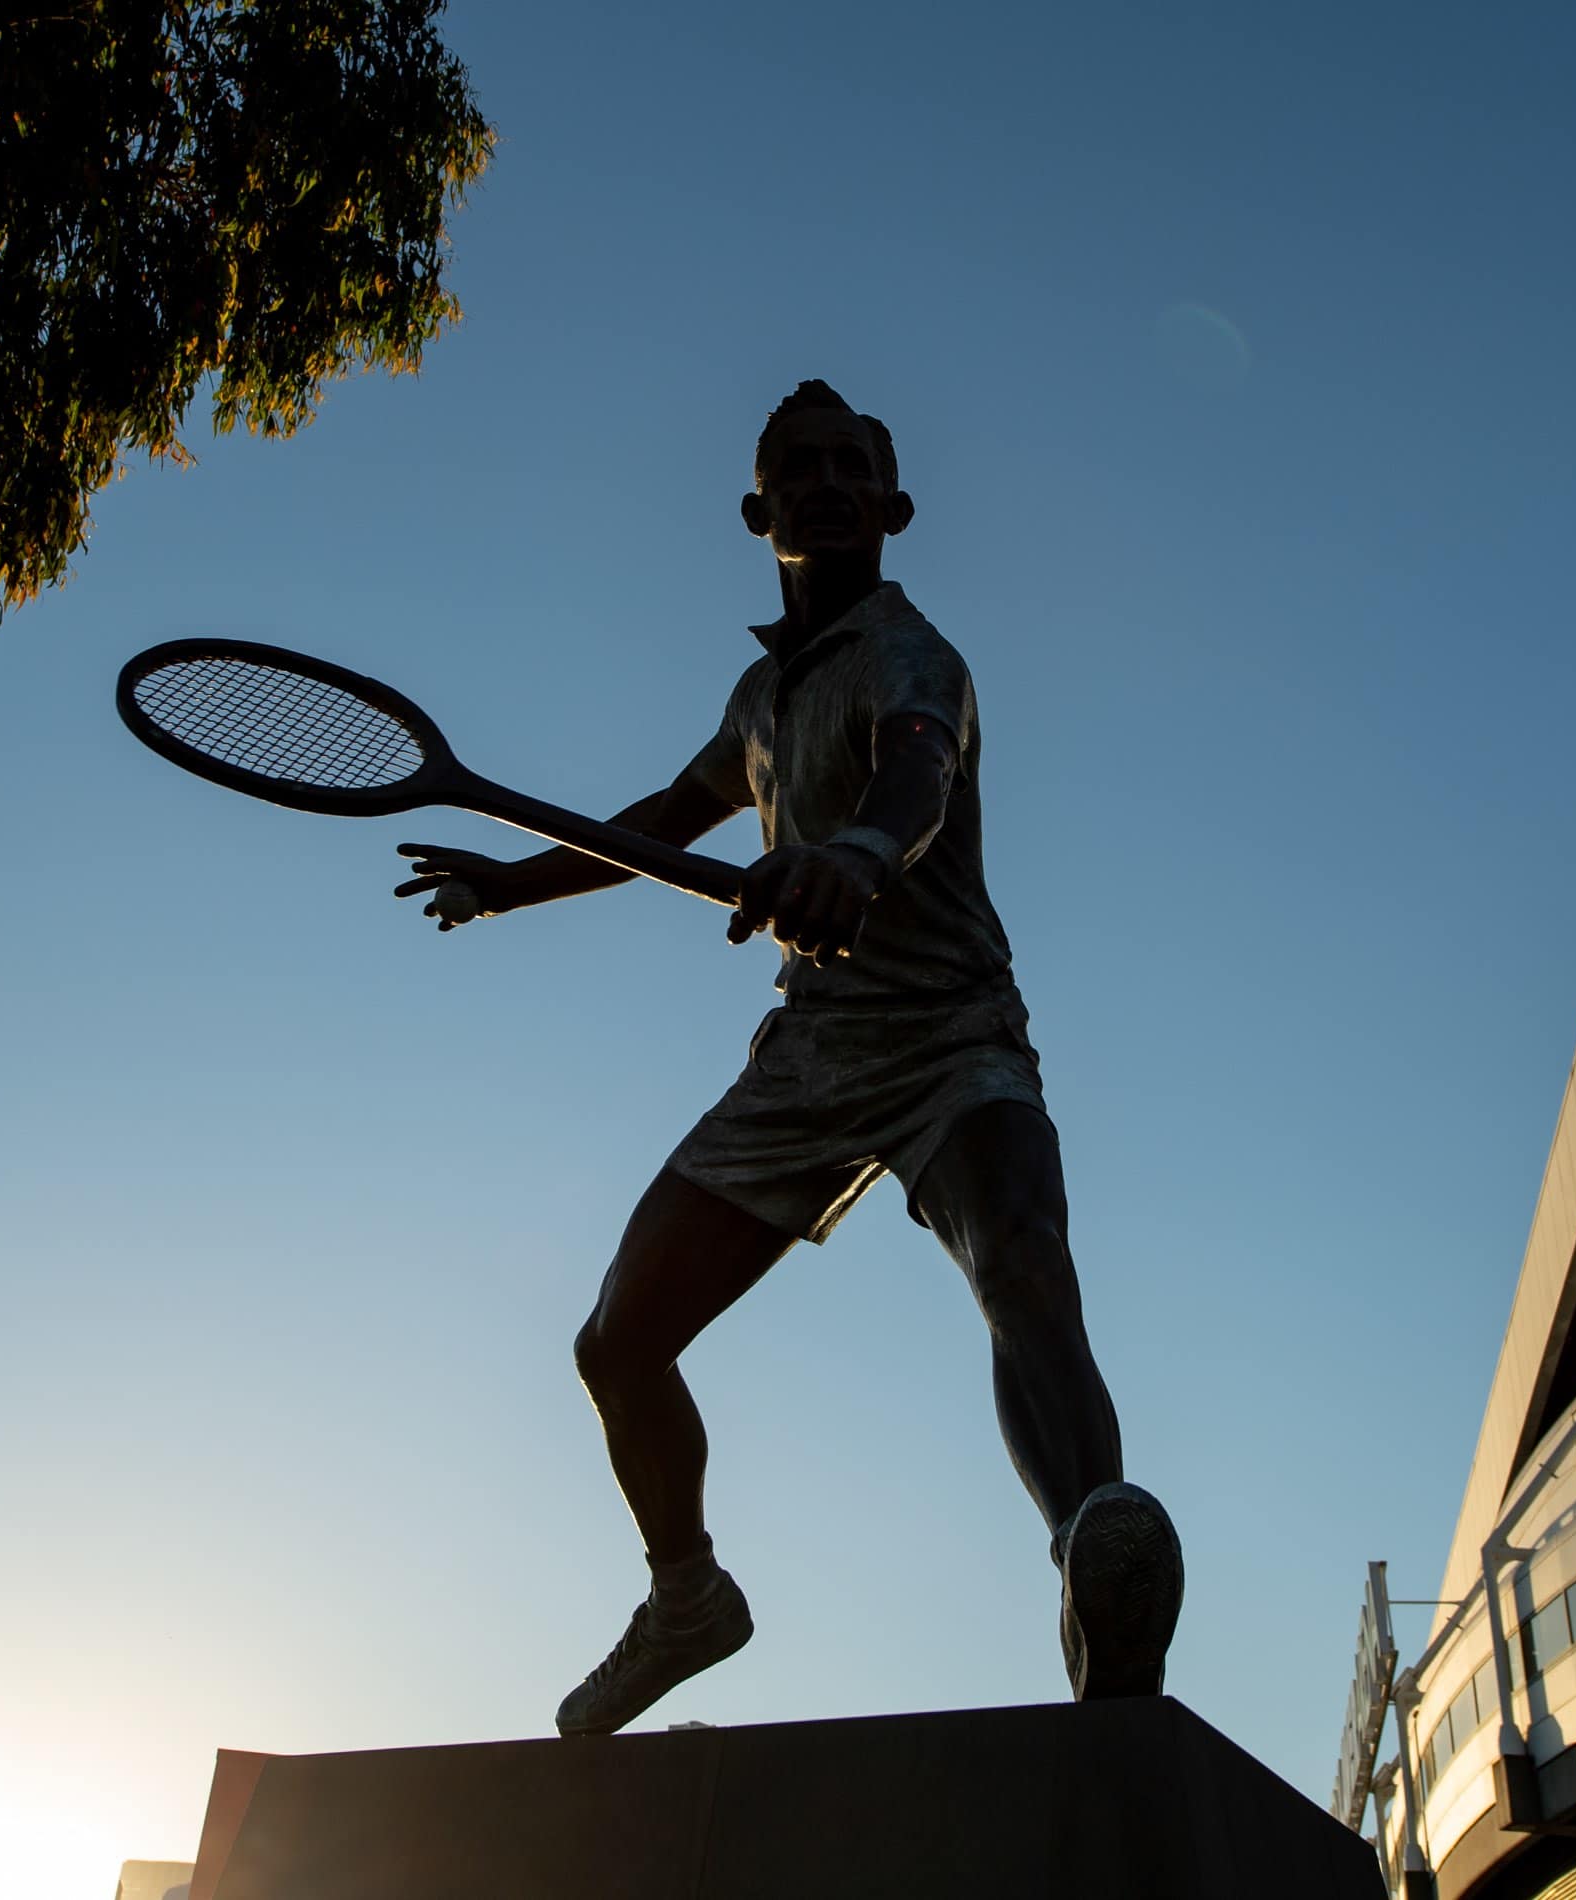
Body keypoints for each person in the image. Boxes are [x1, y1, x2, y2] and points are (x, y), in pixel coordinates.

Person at [394, 381, 1182, 1737]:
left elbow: (916, 779)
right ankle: (687, 1597)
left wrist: (860, 855)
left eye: (847, 467)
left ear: (891, 508)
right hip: (812, 1055)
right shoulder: (760, 695)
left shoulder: (915, 658)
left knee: (1023, 1262)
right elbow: (666, 815)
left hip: (952, 1032)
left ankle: (1092, 1554)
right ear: (761, 512)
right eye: (795, 470)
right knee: (617, 1344)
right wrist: (512, 886)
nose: (822, 483)